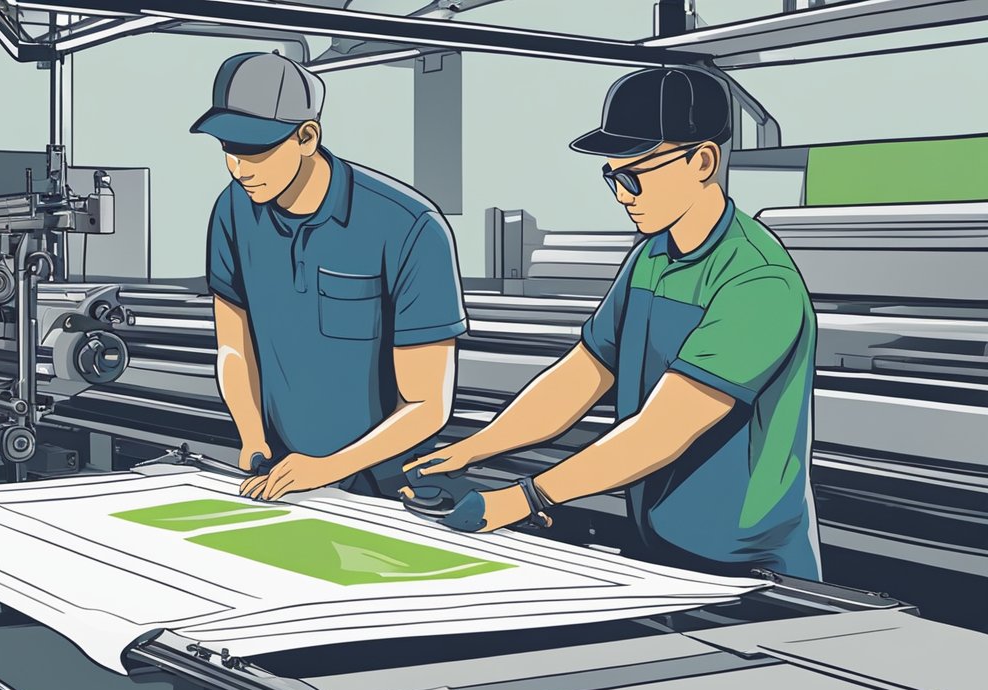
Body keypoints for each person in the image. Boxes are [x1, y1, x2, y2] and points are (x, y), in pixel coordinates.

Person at [406, 67, 821, 580]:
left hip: (749, 568)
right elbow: (581, 375)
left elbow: (661, 431)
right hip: (659, 545)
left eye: (634, 176)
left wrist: (527, 496)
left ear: (703, 160)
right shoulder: (651, 255)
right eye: (612, 176)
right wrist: (471, 449)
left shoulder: (758, 282)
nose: (622, 194)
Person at [192, 52, 468, 502]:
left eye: (257, 151)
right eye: (229, 150)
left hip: (389, 485)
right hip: (285, 473)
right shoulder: (233, 210)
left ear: (306, 136)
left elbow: (427, 404)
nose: (241, 170)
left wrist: (329, 469)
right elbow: (233, 346)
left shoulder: (410, 226)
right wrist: (253, 437)